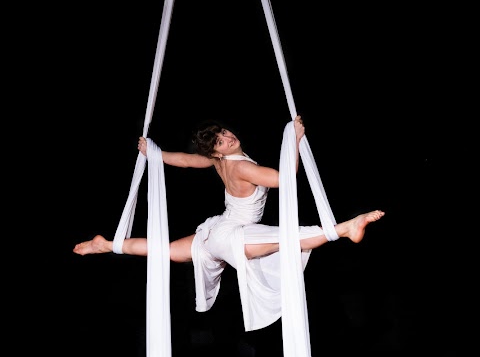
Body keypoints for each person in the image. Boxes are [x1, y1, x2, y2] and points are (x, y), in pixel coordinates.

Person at [74, 116, 384, 331]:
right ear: (217, 152)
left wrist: (155, 153)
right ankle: (344, 228)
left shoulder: (219, 161)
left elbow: (185, 159)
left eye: (224, 134)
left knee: (167, 250)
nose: (227, 138)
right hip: (229, 233)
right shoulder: (242, 168)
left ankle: (107, 244)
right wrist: (295, 139)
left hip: (217, 231)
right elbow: (285, 180)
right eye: (220, 142)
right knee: (288, 238)